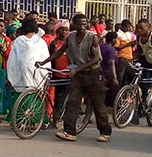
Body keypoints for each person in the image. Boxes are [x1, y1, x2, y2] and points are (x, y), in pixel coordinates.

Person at [37, 13, 112, 143]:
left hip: (92, 73)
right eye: (79, 24)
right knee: (72, 102)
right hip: (78, 75)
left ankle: (105, 131)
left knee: (97, 103)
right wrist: (44, 62)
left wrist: (78, 68)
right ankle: (69, 131)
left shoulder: (92, 37)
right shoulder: (71, 36)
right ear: (74, 24)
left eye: (84, 24)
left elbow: (96, 58)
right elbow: (60, 51)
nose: (82, 26)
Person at [6, 19, 50, 93]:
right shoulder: (41, 41)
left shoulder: (19, 40)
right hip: (37, 72)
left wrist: (10, 75)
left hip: (22, 74)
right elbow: (45, 58)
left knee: (21, 97)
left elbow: (12, 60)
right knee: (36, 95)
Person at [48, 20, 72, 128]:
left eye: (66, 30)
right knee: (57, 99)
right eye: (62, 29)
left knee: (67, 99)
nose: (64, 32)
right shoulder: (53, 44)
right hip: (56, 74)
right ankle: (54, 119)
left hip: (68, 75)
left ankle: (65, 119)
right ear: (57, 31)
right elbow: (51, 58)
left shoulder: (71, 44)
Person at [100, 32, 120, 108]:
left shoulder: (100, 46)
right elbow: (111, 64)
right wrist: (114, 78)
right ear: (113, 40)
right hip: (107, 75)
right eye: (116, 39)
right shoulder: (111, 50)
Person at [115, 20, 136, 86]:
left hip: (129, 58)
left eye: (129, 27)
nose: (128, 29)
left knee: (128, 76)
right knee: (120, 76)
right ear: (122, 26)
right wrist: (128, 44)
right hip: (122, 58)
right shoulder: (118, 34)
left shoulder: (129, 34)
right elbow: (117, 47)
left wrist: (132, 44)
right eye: (127, 27)